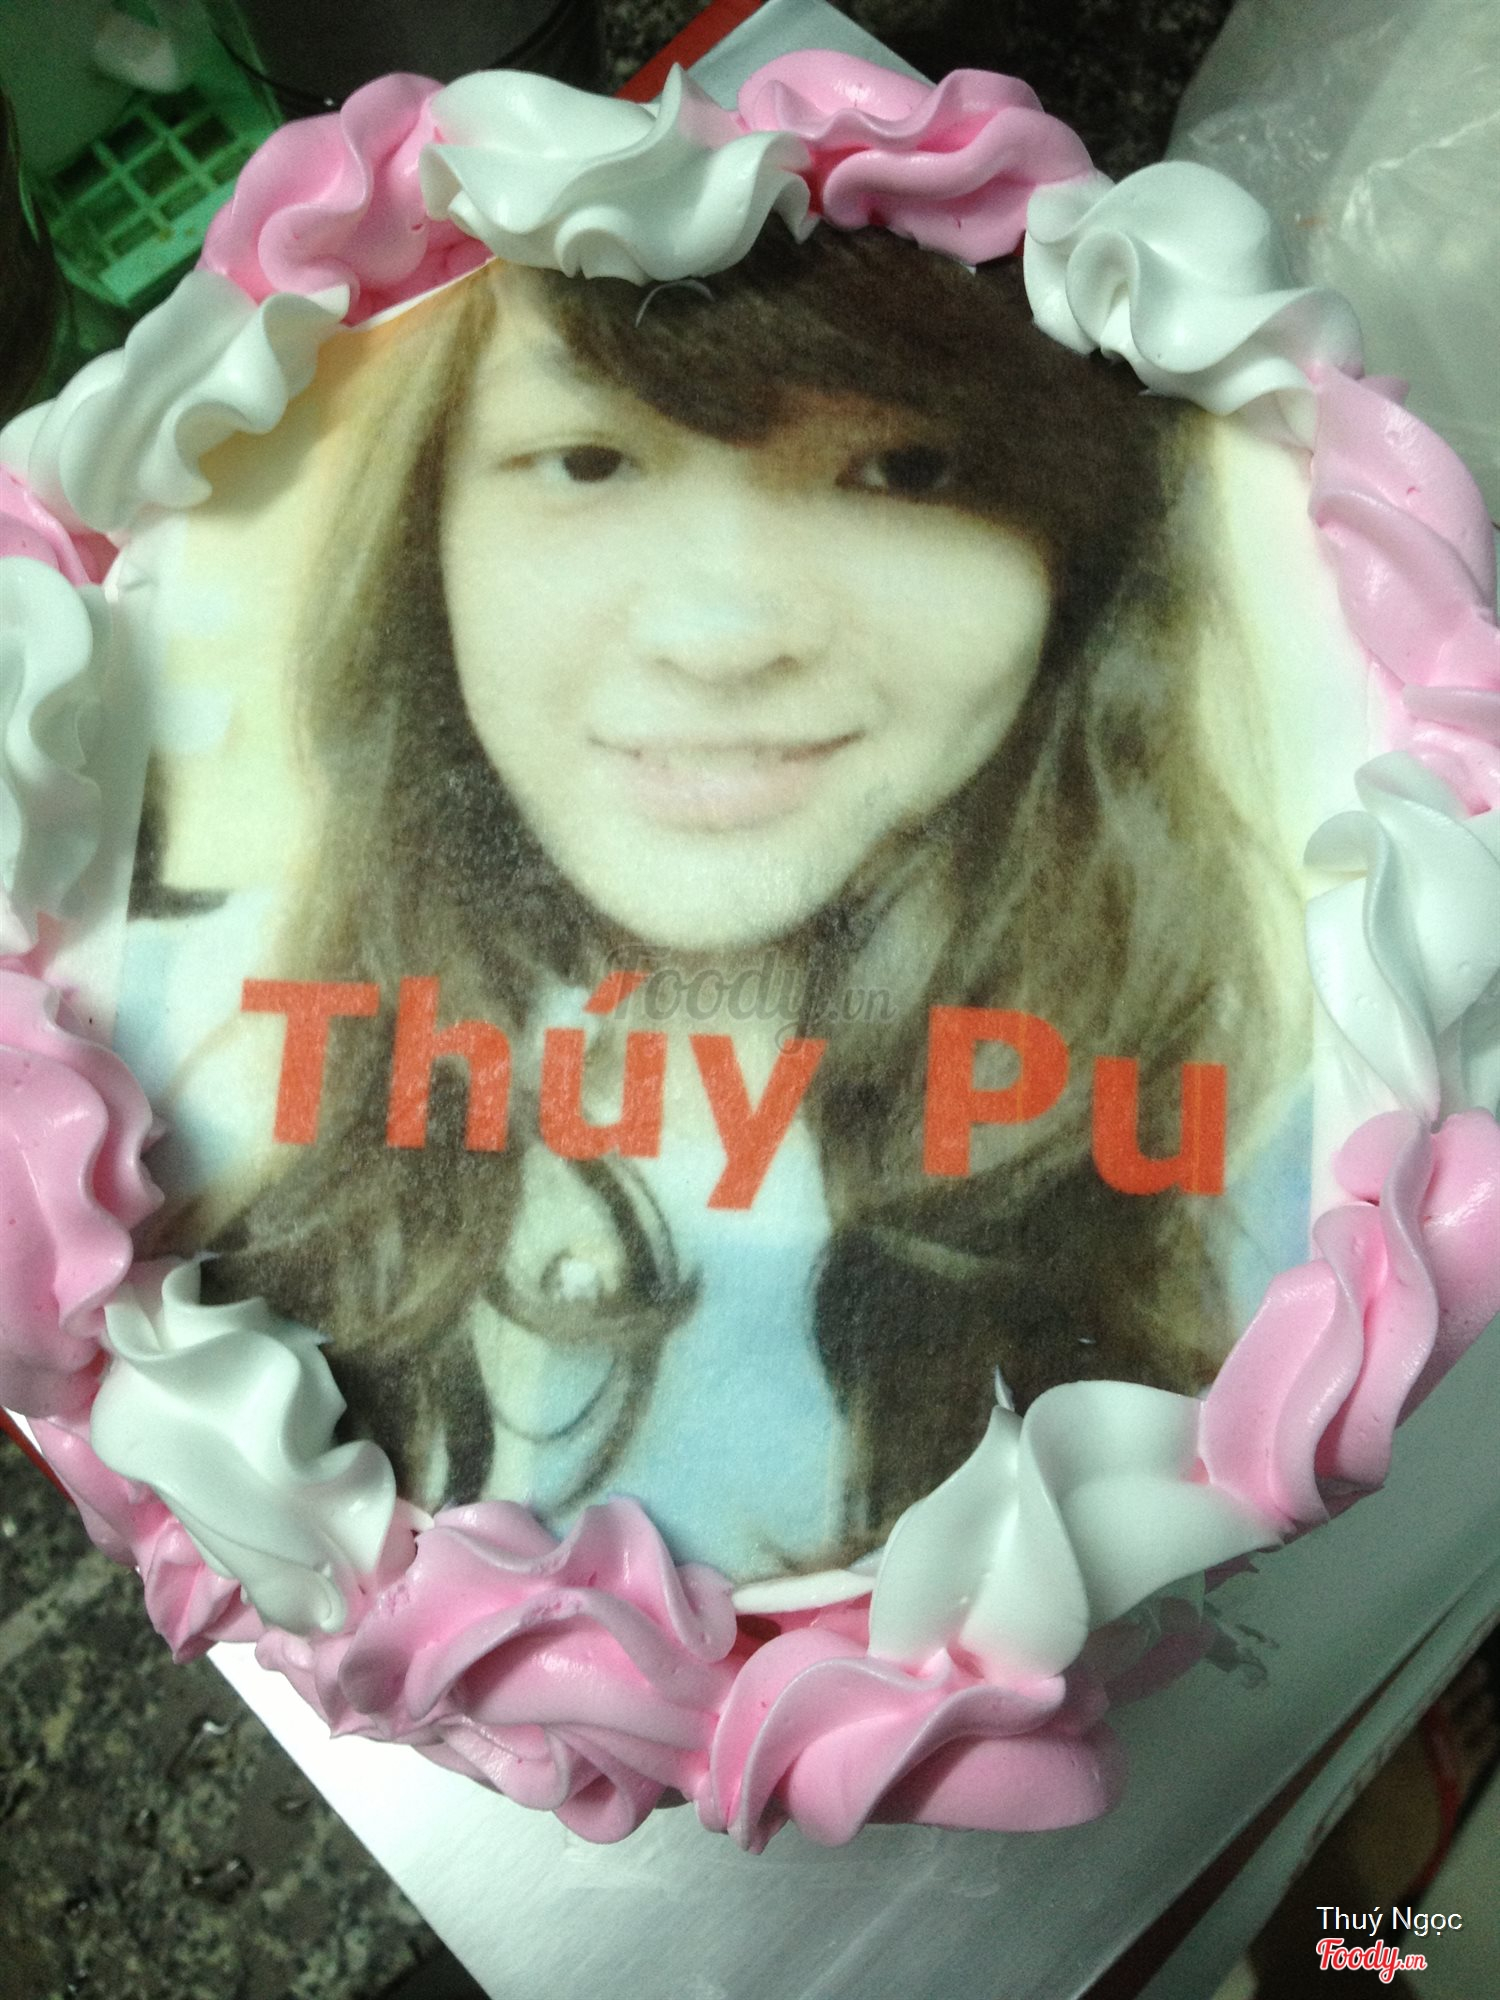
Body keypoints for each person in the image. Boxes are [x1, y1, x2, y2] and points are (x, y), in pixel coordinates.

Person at [133, 223, 1303, 1581]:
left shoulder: (1275, 1198)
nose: (723, 639)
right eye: (589, 461)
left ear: (1077, 560)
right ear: (427, 530)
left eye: (904, 469)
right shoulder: (134, 1074)